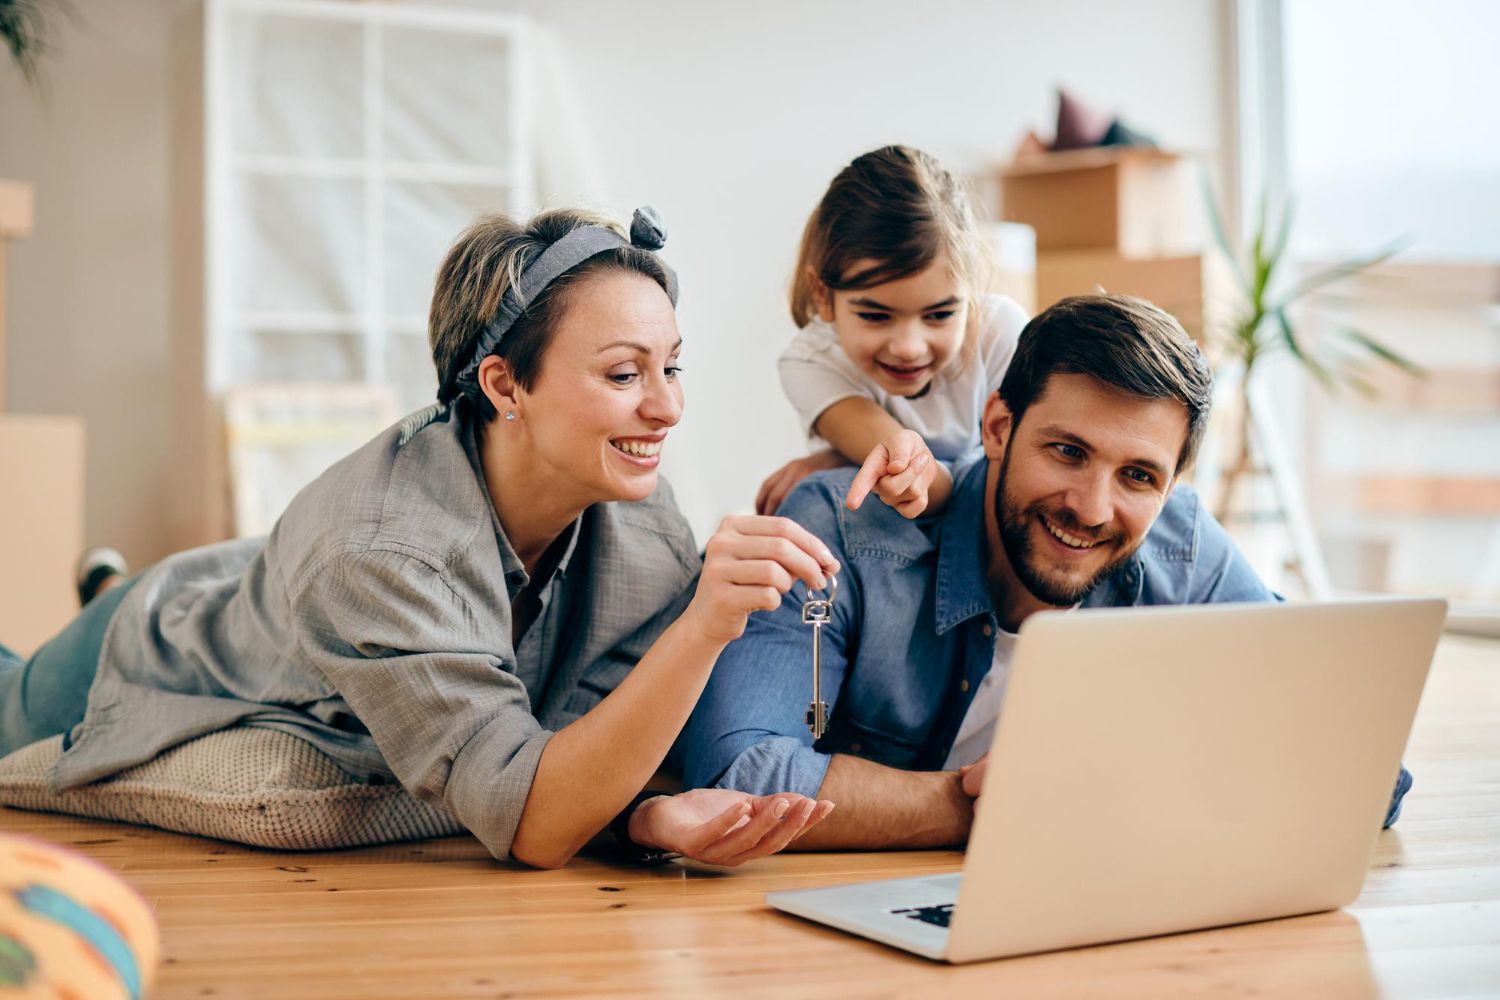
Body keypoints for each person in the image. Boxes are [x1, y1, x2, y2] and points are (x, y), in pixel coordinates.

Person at [0, 207, 838, 869]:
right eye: (624, 374)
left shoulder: (642, 522)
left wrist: (648, 815)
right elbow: (534, 824)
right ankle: (105, 598)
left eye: (671, 367)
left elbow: (587, 744)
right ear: (505, 385)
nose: (667, 407)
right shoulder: (378, 553)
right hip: (152, 650)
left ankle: (105, 578)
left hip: (268, 582)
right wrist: (704, 627)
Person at [682, 294, 1413, 847]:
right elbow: (737, 771)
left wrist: (1125, 786)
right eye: (1067, 451)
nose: (1092, 508)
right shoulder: (840, 527)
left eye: (1138, 476)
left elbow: (1368, 772)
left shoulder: (1182, 549)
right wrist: (1000, 804)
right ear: (998, 427)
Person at [755, 145, 1030, 520]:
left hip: (989, 530)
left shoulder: (1001, 331)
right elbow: (926, 488)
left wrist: (841, 456)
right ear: (823, 295)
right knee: (819, 498)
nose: (908, 348)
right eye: (875, 316)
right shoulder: (810, 362)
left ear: (969, 292)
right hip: (897, 525)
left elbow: (1024, 481)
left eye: (939, 314)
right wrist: (864, 460)